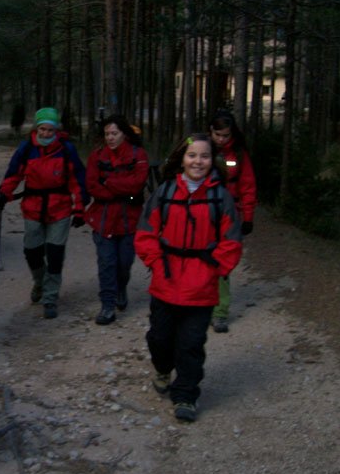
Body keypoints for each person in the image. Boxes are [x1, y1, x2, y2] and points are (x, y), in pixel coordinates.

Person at [134, 133, 242, 422]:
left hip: (201, 287)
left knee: (191, 344)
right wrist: (156, 262)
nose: (198, 161)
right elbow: (146, 232)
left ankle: (185, 396)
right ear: (181, 158)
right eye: (192, 155)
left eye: (204, 156)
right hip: (165, 282)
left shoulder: (221, 197)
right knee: (159, 339)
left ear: (212, 160)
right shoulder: (165, 191)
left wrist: (215, 270)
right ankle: (162, 368)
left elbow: (231, 241)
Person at [0, 107, 89, 319]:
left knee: (55, 254)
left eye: (50, 130)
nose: (46, 134)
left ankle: (50, 297)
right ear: (36, 128)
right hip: (33, 207)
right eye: (42, 129)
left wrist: (80, 208)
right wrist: (4, 193)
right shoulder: (27, 148)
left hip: (60, 207)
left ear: (57, 130)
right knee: (32, 251)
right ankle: (40, 282)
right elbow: (14, 173)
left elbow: (77, 180)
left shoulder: (66, 149)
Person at [85, 114, 149, 325]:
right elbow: (93, 186)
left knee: (124, 263)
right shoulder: (97, 156)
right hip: (103, 220)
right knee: (106, 263)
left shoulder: (138, 154)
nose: (110, 138)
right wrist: (120, 188)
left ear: (124, 134)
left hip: (129, 220)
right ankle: (107, 305)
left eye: (114, 133)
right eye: (107, 134)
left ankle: (121, 288)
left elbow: (137, 184)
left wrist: (109, 181)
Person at [208, 109, 257, 333]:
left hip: (229, 216)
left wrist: (247, 217)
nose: (221, 139)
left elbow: (248, 187)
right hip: (204, 215)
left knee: (223, 264)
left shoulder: (238, 154)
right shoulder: (201, 151)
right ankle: (202, 306)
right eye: (217, 134)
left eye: (225, 135)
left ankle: (220, 312)